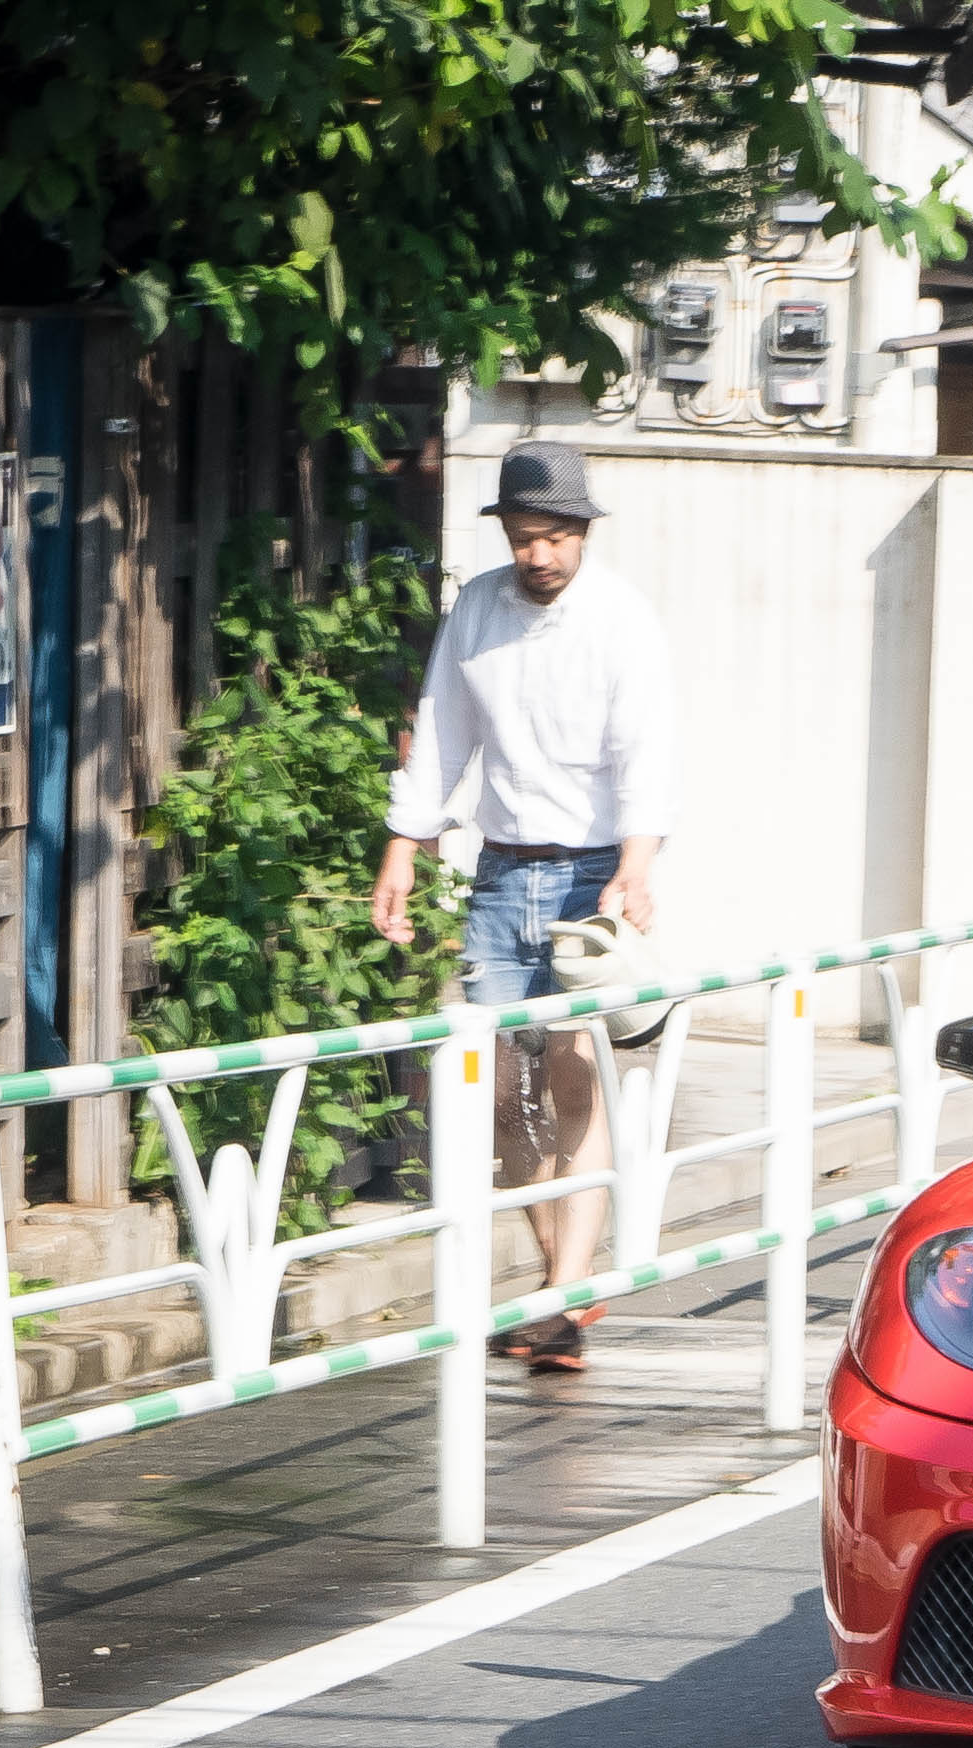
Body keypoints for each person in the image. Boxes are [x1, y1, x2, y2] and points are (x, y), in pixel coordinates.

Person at [371, 441, 676, 1374]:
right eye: (522, 537)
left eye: (553, 538)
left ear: (581, 532)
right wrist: (404, 848)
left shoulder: (621, 618)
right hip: (502, 872)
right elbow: (443, 726)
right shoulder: (477, 607)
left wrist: (637, 864)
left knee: (576, 1079)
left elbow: (646, 748)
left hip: (592, 874)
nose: (538, 555)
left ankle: (563, 1293)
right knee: (507, 1090)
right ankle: (565, 1292)